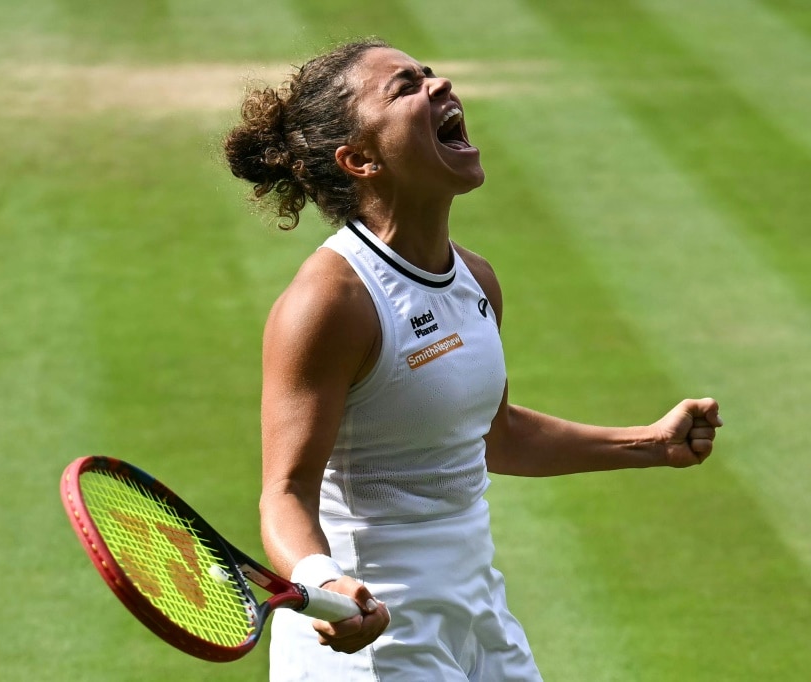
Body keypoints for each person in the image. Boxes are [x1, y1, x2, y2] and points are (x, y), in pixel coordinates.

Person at [222, 38, 723, 681]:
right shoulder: (331, 302)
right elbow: (285, 491)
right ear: (360, 159)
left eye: (427, 73)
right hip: (372, 639)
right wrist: (325, 583)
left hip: (478, 617)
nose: (439, 84)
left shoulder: (474, 280)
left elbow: (495, 434)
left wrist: (648, 442)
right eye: (404, 88)